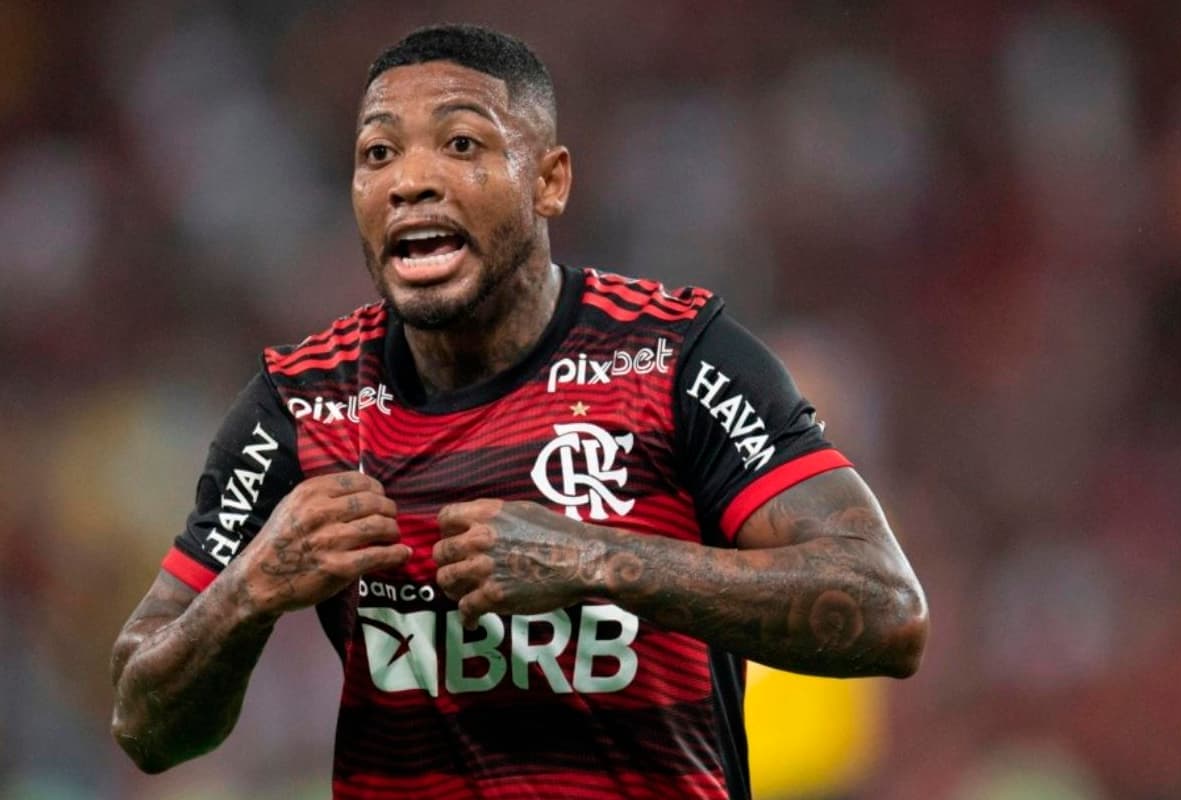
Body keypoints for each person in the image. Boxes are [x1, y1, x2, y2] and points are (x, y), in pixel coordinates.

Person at [110, 23, 928, 800]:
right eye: (378, 153)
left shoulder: (676, 361)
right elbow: (143, 724)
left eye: (461, 143)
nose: (410, 180)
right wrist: (249, 589)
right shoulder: (300, 408)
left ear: (549, 181)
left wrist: (594, 560)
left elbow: (888, 611)